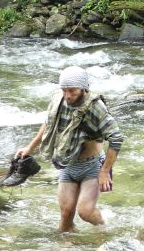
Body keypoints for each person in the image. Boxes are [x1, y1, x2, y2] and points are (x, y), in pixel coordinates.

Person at [15, 66, 124, 233]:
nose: (67, 95)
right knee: (66, 213)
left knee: (85, 212)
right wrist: (30, 148)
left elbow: (116, 138)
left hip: (92, 165)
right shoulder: (59, 100)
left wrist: (105, 171)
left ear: (83, 88)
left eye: (72, 91)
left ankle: (104, 232)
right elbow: (49, 124)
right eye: (64, 90)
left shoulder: (96, 108)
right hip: (68, 164)